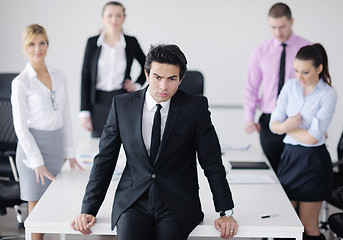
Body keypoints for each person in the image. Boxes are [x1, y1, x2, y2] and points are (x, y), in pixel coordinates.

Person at [71, 44, 238, 240]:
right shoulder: (122, 105)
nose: (163, 87)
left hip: (177, 201)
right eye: (157, 77)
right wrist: (88, 209)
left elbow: (212, 162)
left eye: (171, 79)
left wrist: (225, 212)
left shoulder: (195, 108)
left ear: (181, 78)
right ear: (147, 74)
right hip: (133, 202)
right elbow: (105, 160)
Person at [11, 24, 83, 240]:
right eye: (31, 44)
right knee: (37, 211)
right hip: (33, 151)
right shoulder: (20, 83)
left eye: (42, 42)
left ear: (48, 44)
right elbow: (21, 128)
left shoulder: (59, 76)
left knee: (57, 204)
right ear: (25, 47)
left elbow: (65, 117)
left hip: (56, 145)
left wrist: (70, 152)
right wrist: (37, 162)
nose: (37, 48)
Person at [270, 43, 337, 240]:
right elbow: (273, 125)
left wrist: (287, 128)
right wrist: (286, 127)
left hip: (313, 163)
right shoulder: (290, 86)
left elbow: (313, 138)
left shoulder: (328, 94)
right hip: (290, 158)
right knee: (285, 225)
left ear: (319, 68)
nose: (299, 76)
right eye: (296, 71)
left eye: (305, 72)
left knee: (309, 227)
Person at [243, 2, 312, 173]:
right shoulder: (260, 51)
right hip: (269, 119)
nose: (277, 32)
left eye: (282, 26)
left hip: (298, 119)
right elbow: (251, 87)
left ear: (291, 21)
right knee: (273, 172)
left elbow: (314, 85)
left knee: (296, 172)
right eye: (273, 27)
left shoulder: (307, 49)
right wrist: (249, 118)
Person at [80, 1, 146, 138]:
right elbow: (85, 77)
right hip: (97, 102)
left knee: (124, 140)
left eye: (118, 15)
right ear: (103, 18)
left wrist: (137, 85)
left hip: (122, 100)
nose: (114, 20)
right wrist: (84, 111)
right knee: (100, 144)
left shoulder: (131, 42)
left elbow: (148, 65)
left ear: (124, 18)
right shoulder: (92, 42)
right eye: (109, 15)